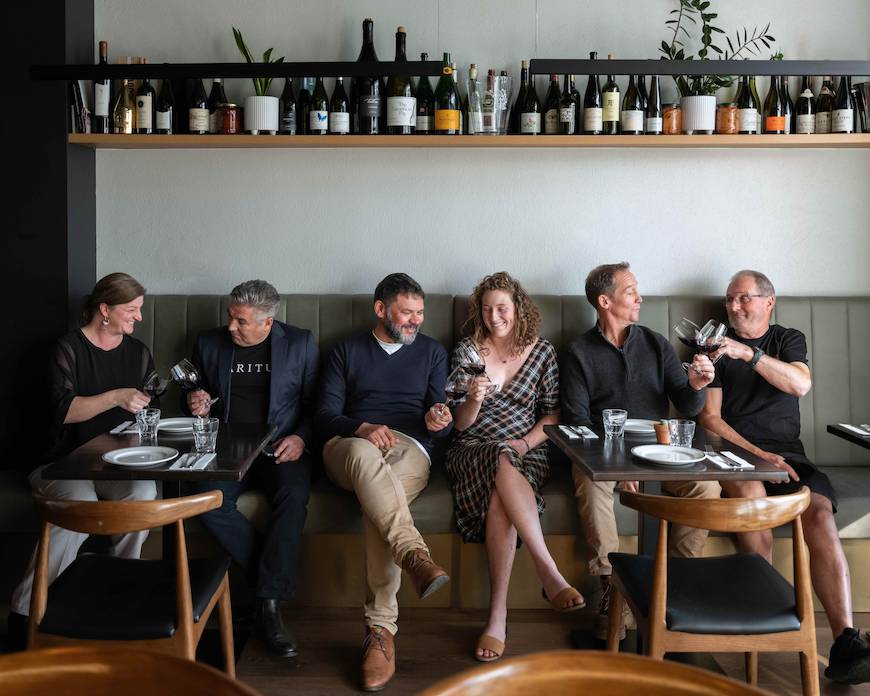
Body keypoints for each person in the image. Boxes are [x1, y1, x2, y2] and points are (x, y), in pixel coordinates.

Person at [699, 269, 870, 685]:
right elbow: (710, 418)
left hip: (790, 455)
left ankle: (846, 642)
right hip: (737, 455)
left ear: (768, 302)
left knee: (819, 514)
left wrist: (748, 354)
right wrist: (759, 456)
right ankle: (762, 629)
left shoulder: (788, 339)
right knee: (754, 501)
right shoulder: (713, 346)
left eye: (744, 298)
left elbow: (800, 384)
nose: (734, 306)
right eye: (730, 299)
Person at [561, 262, 720, 640]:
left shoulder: (655, 343)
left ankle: (675, 588)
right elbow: (577, 423)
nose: (640, 298)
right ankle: (610, 590)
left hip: (659, 449)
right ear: (604, 301)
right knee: (587, 479)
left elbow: (687, 405)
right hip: (604, 453)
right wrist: (617, 467)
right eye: (631, 291)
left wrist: (697, 385)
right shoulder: (579, 352)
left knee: (707, 487)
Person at [316, 273, 453, 692]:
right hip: (350, 445)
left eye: (420, 313)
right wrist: (363, 428)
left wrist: (438, 420)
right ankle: (413, 554)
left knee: (381, 496)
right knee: (366, 459)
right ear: (381, 309)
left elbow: (441, 417)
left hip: (410, 449)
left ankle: (380, 631)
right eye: (407, 313)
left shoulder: (432, 352)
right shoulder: (346, 351)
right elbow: (324, 415)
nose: (416, 321)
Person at [446, 272, 584, 663]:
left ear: (518, 308)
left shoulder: (542, 352)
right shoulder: (468, 352)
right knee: (498, 456)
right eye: (486, 309)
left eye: (502, 308)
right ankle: (547, 571)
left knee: (500, 491)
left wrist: (523, 443)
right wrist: (473, 400)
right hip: (472, 449)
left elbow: (553, 415)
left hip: (528, 450)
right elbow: (460, 425)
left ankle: (497, 617)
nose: (494, 317)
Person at [9, 273, 158, 629]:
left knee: (142, 495)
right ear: (105, 309)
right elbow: (65, 411)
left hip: (116, 464)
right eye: (131, 309)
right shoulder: (68, 349)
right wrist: (116, 397)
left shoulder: (138, 353)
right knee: (80, 506)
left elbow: (152, 406)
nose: (139, 317)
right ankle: (25, 612)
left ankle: (119, 596)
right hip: (60, 462)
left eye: (139, 309)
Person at [185, 279, 317, 658]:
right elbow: (191, 393)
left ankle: (268, 607)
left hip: (280, 446)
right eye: (231, 316)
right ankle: (271, 584)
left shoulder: (300, 343)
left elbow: (316, 405)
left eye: (241, 321)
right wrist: (194, 401)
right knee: (204, 498)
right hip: (226, 448)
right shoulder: (209, 343)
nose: (231, 326)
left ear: (267, 322)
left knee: (293, 494)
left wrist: (301, 438)